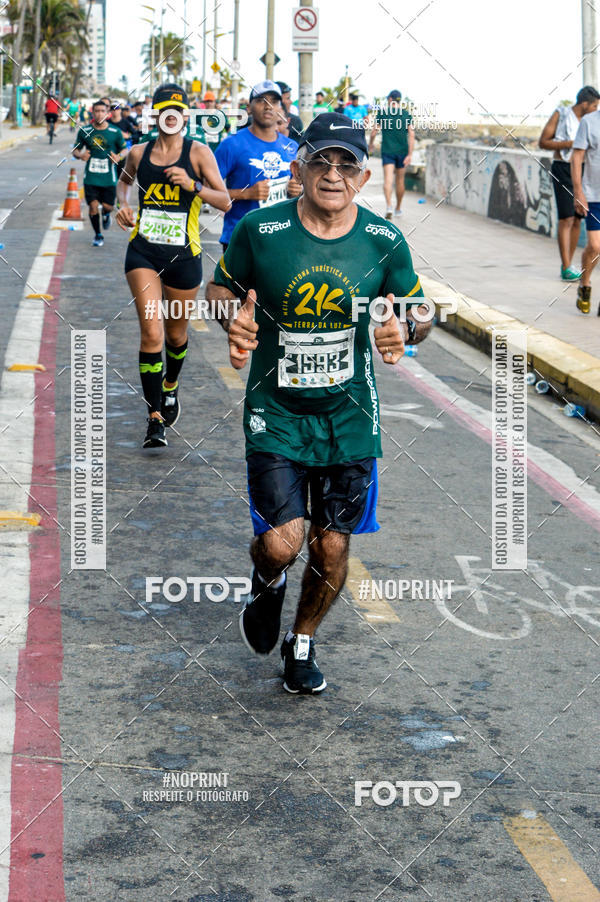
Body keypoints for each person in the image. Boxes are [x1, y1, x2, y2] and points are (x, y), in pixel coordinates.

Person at [206, 112, 430, 694]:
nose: (333, 174)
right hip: (276, 410)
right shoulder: (261, 230)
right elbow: (219, 288)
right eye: (320, 162)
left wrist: (406, 325)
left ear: (362, 177)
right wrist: (233, 319)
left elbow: (422, 308)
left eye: (347, 164)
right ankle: (267, 580)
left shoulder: (384, 241)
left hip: (350, 415)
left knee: (331, 546)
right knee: (283, 543)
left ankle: (301, 639)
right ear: (299, 168)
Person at [115, 83, 230, 449]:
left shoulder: (198, 153)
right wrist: (123, 205)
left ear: (185, 115)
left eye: (177, 111)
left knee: (176, 335)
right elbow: (123, 184)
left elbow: (224, 201)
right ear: (155, 113)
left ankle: (170, 386)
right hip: (143, 253)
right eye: (164, 109)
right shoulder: (137, 153)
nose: (171, 116)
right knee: (152, 334)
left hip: (184, 258)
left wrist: (193, 185)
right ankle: (154, 418)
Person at [214, 80, 301, 253]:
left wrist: (297, 191)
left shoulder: (292, 147)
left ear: (281, 110)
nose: (268, 106)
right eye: (262, 100)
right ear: (249, 107)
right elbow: (206, 194)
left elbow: (306, 194)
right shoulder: (231, 144)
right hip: (241, 240)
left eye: (274, 102)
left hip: (282, 240)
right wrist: (246, 193)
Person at [539, 86, 600, 281]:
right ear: (585, 104)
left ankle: (570, 264)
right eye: (595, 105)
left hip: (583, 171)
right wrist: (570, 144)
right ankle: (565, 266)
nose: (597, 109)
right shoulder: (561, 114)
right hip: (563, 168)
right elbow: (543, 142)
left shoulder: (590, 122)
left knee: (577, 219)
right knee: (566, 218)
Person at [72, 99, 126, 247]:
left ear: (108, 113)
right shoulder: (85, 131)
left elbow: (124, 149)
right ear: (92, 113)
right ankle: (98, 234)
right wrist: (80, 155)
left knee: (108, 206)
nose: (100, 113)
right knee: (93, 206)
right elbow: (75, 149)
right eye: (97, 111)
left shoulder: (115, 132)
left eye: (103, 111)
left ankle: (107, 214)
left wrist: (119, 157)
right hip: (91, 177)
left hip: (109, 177)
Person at [572, 100, 600, 314]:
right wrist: (579, 191)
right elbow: (577, 156)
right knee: (595, 247)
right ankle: (585, 282)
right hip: (594, 196)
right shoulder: (590, 122)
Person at [368, 89, 414, 219]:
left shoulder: (383, 113)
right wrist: (410, 154)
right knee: (400, 181)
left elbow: (373, 132)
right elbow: (411, 134)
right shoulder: (406, 114)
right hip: (403, 153)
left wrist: (370, 145)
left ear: (390, 99)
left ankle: (388, 206)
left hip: (387, 151)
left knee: (388, 180)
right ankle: (398, 208)